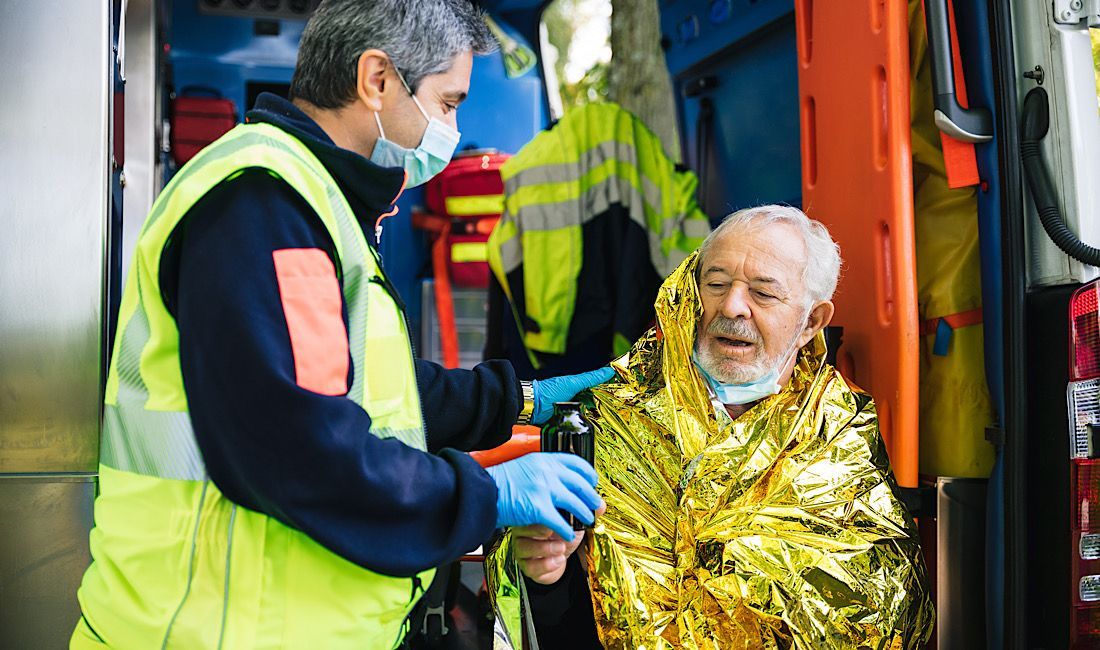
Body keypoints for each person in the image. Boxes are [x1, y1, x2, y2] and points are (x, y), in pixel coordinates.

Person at [70, 2, 611, 648]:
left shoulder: (318, 201)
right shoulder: (266, 203)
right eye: (447, 103)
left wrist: (519, 399)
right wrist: (483, 496)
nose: (455, 132)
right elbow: (296, 446)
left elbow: (365, 391)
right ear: (377, 80)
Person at [495, 205, 934, 649]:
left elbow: (879, 615)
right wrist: (544, 577)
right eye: (716, 284)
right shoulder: (611, 419)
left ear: (811, 322)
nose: (731, 306)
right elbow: (546, 614)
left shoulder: (839, 437)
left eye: (763, 293)